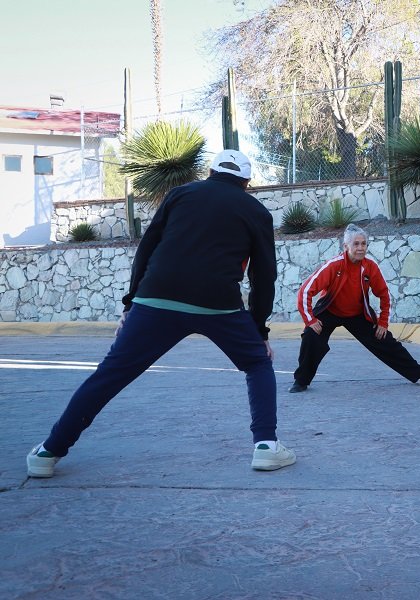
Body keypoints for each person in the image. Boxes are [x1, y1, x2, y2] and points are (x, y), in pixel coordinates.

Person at [26, 150, 296, 478]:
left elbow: (147, 249)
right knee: (256, 363)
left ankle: (48, 451)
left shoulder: (179, 194)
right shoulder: (255, 210)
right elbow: (264, 276)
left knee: (110, 374)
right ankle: (266, 446)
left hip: (157, 298)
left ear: (209, 173)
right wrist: (259, 332)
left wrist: (130, 304)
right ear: (247, 182)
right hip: (218, 303)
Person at [290, 223, 420, 393]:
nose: (360, 248)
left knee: (385, 340)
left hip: (356, 314)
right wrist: (310, 320)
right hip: (330, 311)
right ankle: (301, 381)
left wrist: (383, 322)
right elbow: (305, 292)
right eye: (356, 244)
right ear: (346, 246)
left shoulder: (370, 267)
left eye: (363, 244)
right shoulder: (333, 266)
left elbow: (384, 294)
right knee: (312, 336)